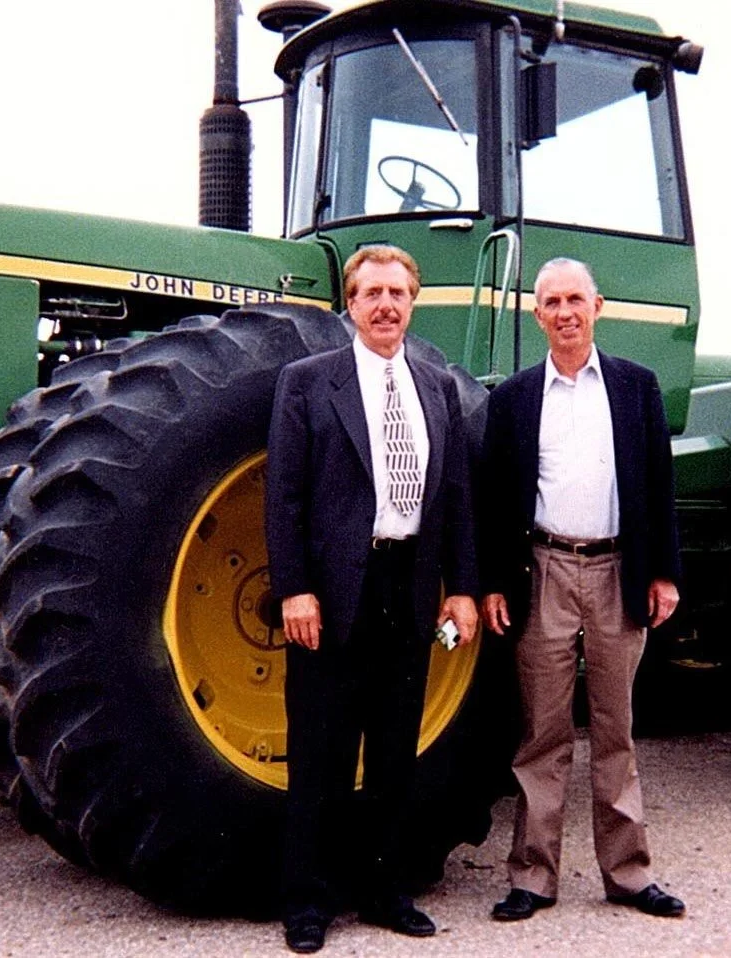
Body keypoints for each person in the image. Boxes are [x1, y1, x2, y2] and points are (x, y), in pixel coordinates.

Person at [265, 244, 480, 954]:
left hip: (410, 585)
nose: (385, 305)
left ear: (413, 301)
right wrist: (294, 589)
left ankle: (386, 891)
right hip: (332, 593)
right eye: (371, 293)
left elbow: (454, 496)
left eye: (397, 292)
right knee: (320, 752)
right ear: (349, 304)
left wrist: (464, 590)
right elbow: (284, 498)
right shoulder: (307, 382)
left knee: (395, 751)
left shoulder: (435, 384)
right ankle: (307, 901)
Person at [479, 257, 685, 922]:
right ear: (536, 315)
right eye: (551, 303)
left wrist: (664, 573)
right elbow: (493, 499)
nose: (564, 313)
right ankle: (532, 877)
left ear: (598, 307)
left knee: (615, 729)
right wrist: (493, 583)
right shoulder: (512, 399)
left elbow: (658, 485)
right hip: (543, 573)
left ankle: (628, 873)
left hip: (616, 572)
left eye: (575, 300)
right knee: (541, 732)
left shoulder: (635, 387)